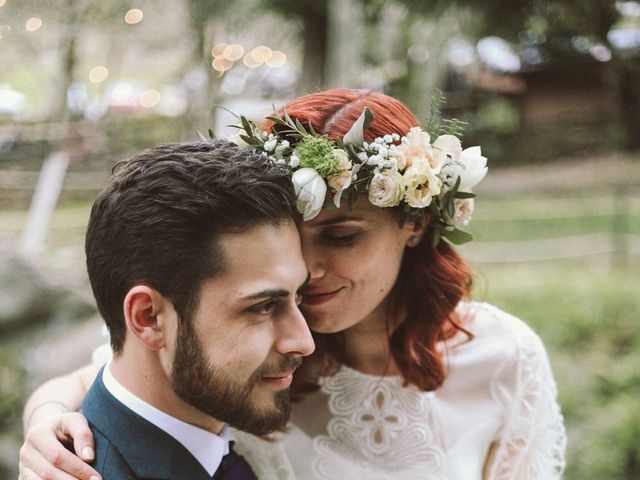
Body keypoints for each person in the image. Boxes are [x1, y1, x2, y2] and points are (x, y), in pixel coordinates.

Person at [19, 89, 566, 480]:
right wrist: (47, 426)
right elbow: (118, 371)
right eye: (297, 241)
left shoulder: (502, 357)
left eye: (343, 236)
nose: (310, 268)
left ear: (416, 223)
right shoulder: (257, 363)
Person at [19, 139, 315, 479]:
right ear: (148, 318)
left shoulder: (218, 414)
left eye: (300, 297)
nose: (304, 341)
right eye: (263, 307)